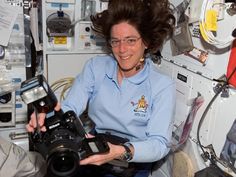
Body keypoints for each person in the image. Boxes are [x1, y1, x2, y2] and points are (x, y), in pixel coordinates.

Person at [26, 0, 176, 176]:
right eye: (115, 41)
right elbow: (70, 108)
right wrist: (47, 116)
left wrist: (121, 151)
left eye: (131, 40)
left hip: (133, 156)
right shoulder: (96, 67)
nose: (122, 49)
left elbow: (159, 144)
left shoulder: (162, 85)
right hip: (96, 144)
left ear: (147, 42)